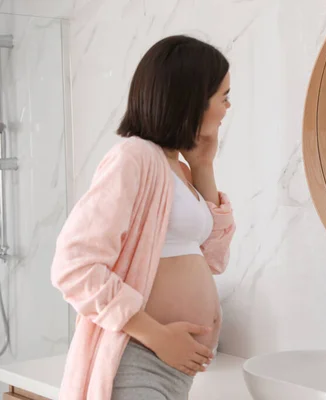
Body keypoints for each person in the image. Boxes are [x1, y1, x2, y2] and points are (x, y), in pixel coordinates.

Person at [51, 35, 235, 400]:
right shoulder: (134, 158)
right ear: (192, 100)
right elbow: (73, 266)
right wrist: (157, 335)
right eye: (224, 96)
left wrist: (202, 166)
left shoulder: (178, 169)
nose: (228, 108)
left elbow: (214, 259)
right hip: (139, 360)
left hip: (174, 369)